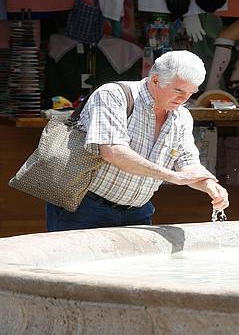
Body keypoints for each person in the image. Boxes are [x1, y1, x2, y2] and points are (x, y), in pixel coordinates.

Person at [46, 50, 229, 231]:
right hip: (84, 207)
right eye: (178, 90)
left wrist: (210, 185)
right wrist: (173, 177)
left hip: (138, 212)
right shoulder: (113, 94)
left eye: (191, 92)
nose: (184, 99)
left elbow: (188, 164)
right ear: (155, 80)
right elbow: (113, 152)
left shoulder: (182, 117)